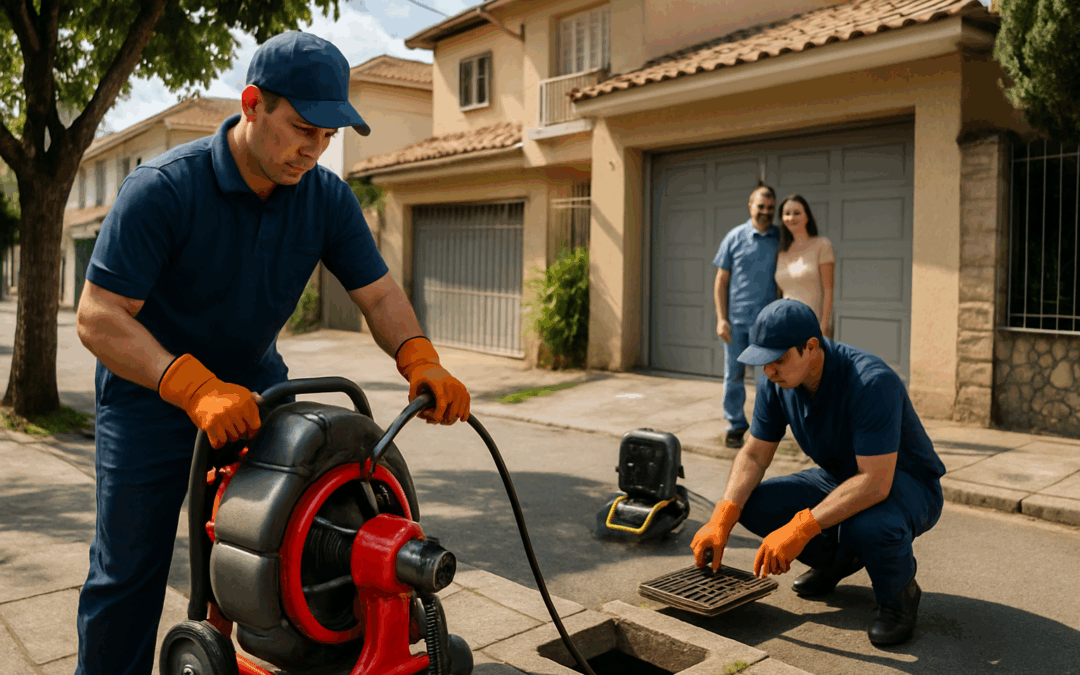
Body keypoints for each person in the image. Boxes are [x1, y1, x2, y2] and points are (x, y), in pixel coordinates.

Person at [73, 31, 471, 675]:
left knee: (286, 550)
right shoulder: (164, 189)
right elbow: (98, 317)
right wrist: (194, 388)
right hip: (150, 397)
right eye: (301, 128)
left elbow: (378, 295)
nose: (312, 149)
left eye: (327, 137)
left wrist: (419, 356)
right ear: (252, 103)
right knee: (127, 572)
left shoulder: (325, 198)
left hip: (257, 396)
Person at [690, 299, 946, 647]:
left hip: (906, 485)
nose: (768, 371)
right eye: (764, 362)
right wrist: (723, 517)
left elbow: (874, 482)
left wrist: (800, 529)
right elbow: (753, 454)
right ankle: (838, 561)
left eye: (778, 360)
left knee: (869, 523)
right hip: (842, 478)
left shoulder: (871, 381)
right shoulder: (777, 382)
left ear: (811, 347)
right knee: (751, 503)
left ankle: (899, 598)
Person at [714, 184, 781, 449]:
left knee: (768, 379)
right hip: (737, 323)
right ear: (750, 205)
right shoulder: (734, 237)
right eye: (760, 206)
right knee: (734, 376)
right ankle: (736, 424)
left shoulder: (780, 238)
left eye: (770, 208)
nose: (765, 212)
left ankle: (765, 427)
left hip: (768, 324)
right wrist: (721, 318)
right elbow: (721, 282)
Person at [774, 194, 835, 338]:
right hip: (786, 325)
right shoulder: (782, 251)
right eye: (786, 214)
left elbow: (828, 289)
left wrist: (824, 326)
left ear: (807, 216)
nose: (791, 218)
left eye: (797, 213)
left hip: (813, 325)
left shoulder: (822, 245)